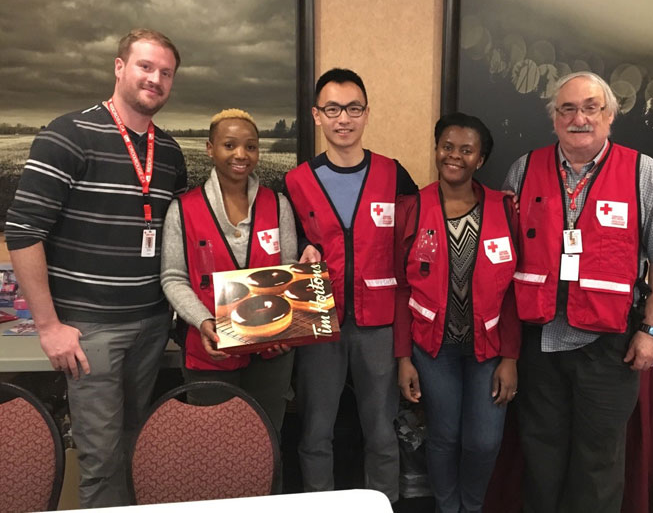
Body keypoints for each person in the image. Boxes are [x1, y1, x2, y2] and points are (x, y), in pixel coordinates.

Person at [6, 29, 186, 507]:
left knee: (134, 444)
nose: (155, 79)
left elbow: (179, 235)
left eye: (166, 73)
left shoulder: (168, 153)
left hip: (151, 326)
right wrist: (47, 327)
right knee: (101, 461)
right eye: (146, 67)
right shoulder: (67, 135)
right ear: (119, 68)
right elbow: (23, 232)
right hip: (90, 333)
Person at [503, 71, 653, 513]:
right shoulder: (524, 169)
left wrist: (652, 329)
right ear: (555, 119)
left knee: (598, 462)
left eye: (591, 107)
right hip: (540, 342)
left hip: (610, 346)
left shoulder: (643, 173)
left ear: (610, 115)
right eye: (567, 109)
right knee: (540, 455)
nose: (579, 118)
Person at [284, 68, 418, 502]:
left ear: (366, 114)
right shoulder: (295, 181)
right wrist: (302, 248)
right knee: (315, 431)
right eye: (333, 109)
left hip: (378, 324)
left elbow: (417, 240)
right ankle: (317, 505)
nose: (344, 118)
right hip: (318, 321)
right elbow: (287, 240)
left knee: (381, 431)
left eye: (354, 108)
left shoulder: (393, 174)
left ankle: (384, 505)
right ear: (317, 115)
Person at [394, 113, 520, 512]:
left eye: (467, 150)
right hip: (433, 351)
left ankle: (472, 507)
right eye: (447, 147)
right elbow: (400, 288)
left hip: (489, 350)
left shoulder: (504, 209)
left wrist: (511, 358)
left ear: (480, 160)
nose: (454, 156)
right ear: (436, 150)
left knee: (484, 441)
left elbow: (515, 289)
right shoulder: (412, 208)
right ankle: (448, 508)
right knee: (444, 437)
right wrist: (403, 358)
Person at [160, 108, 297, 434]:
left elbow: (289, 272)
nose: (241, 154)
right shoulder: (183, 209)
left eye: (250, 146)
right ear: (210, 148)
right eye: (230, 145)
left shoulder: (278, 205)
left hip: (270, 356)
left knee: (267, 445)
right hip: (211, 351)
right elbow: (173, 276)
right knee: (215, 449)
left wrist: (289, 332)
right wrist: (203, 321)